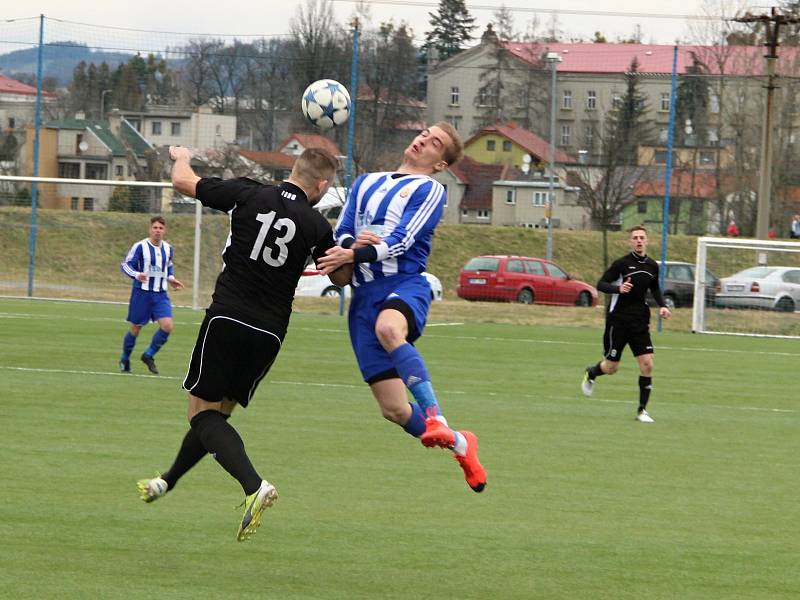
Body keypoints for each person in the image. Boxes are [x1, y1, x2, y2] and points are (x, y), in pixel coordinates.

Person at [136, 145, 350, 541]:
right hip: (269, 335)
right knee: (217, 415)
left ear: (293, 168)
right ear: (321, 185)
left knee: (201, 415)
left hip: (228, 318)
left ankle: (255, 486)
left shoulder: (250, 193)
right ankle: (168, 480)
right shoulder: (318, 225)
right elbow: (340, 278)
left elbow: (182, 180)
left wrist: (181, 154)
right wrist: (350, 251)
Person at [316, 123, 487, 493]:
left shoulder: (429, 189)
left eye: (435, 142)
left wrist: (354, 252)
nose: (424, 139)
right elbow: (342, 230)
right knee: (393, 409)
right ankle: (461, 444)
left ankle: (436, 416)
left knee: (390, 330)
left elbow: (401, 240)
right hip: (362, 298)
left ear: (440, 164)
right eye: (425, 133)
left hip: (404, 284)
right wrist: (350, 243)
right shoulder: (365, 182)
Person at [581, 225, 671, 423]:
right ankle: (592, 372)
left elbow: (655, 288)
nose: (639, 240)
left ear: (647, 241)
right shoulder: (622, 264)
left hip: (639, 321)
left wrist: (662, 306)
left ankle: (642, 411)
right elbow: (600, 284)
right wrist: (618, 288)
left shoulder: (652, 266)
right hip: (618, 321)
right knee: (612, 367)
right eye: (635, 238)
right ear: (630, 241)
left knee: (647, 364)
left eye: (642, 237)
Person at [119, 216, 184, 374]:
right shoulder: (140, 246)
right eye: (155, 228)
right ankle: (125, 358)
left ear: (164, 230)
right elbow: (126, 265)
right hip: (142, 293)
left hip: (160, 295)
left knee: (167, 326)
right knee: (136, 328)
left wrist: (171, 279)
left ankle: (148, 355)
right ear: (150, 229)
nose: (157, 231)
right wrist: (136, 275)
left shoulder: (168, 248)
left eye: (160, 228)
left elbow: (168, 267)